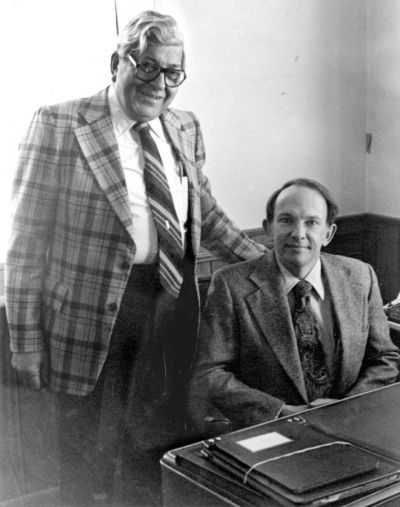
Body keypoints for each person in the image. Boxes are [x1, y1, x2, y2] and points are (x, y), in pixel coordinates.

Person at [4, 10, 265, 506]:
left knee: (154, 439)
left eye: (172, 73)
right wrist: (25, 343)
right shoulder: (59, 123)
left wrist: (266, 263)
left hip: (172, 306)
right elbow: (25, 244)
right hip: (90, 315)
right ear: (116, 62)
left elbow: (204, 213)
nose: (159, 83)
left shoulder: (185, 126)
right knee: (81, 449)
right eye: (145, 65)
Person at [189, 178, 399, 434]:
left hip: (351, 427)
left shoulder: (360, 276)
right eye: (286, 220)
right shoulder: (231, 285)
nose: (298, 233)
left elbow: (384, 358)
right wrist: (278, 412)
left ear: (328, 234)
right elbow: (208, 374)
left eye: (311, 222)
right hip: (269, 433)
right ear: (269, 228)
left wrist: (346, 407)